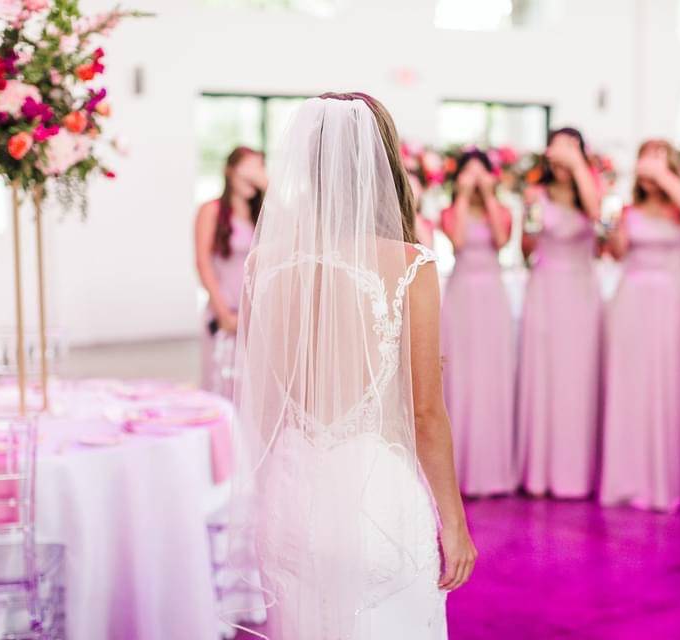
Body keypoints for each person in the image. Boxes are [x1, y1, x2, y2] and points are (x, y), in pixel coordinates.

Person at [234, 93, 476, 639]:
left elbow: (263, 403)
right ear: (385, 164)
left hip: (290, 498)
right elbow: (426, 412)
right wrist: (454, 524)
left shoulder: (265, 265)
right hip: (376, 509)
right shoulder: (411, 265)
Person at [600, 139, 680, 512]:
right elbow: (617, 251)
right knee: (631, 388)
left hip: (671, 303)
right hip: (632, 301)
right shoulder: (629, 210)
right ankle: (625, 480)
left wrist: (661, 173)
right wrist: (611, 224)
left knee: (667, 388)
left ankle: (663, 483)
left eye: (659, 161)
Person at [516, 128, 603, 498]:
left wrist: (579, 167)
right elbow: (526, 246)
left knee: (577, 377)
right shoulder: (536, 195)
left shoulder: (594, 195)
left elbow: (599, 216)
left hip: (581, 292)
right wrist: (531, 218)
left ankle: (577, 474)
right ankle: (538, 472)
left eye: (572, 147)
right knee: (545, 374)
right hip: (546, 288)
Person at [439, 150, 517, 497]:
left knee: (491, 375)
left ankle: (494, 470)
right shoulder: (449, 212)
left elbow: (501, 239)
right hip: (461, 294)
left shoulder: (501, 212)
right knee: (461, 375)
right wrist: (466, 195)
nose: (474, 176)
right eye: (467, 172)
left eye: (480, 171)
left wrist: (486, 195)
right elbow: (455, 240)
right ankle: (457, 471)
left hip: (491, 295)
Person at [194, 147, 266, 393]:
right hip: (225, 310)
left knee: (254, 387)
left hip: (257, 312)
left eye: (259, 168)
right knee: (223, 381)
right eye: (246, 168)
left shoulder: (263, 216)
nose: (252, 177)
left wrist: (267, 187)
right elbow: (203, 262)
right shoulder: (211, 210)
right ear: (230, 171)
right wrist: (222, 312)